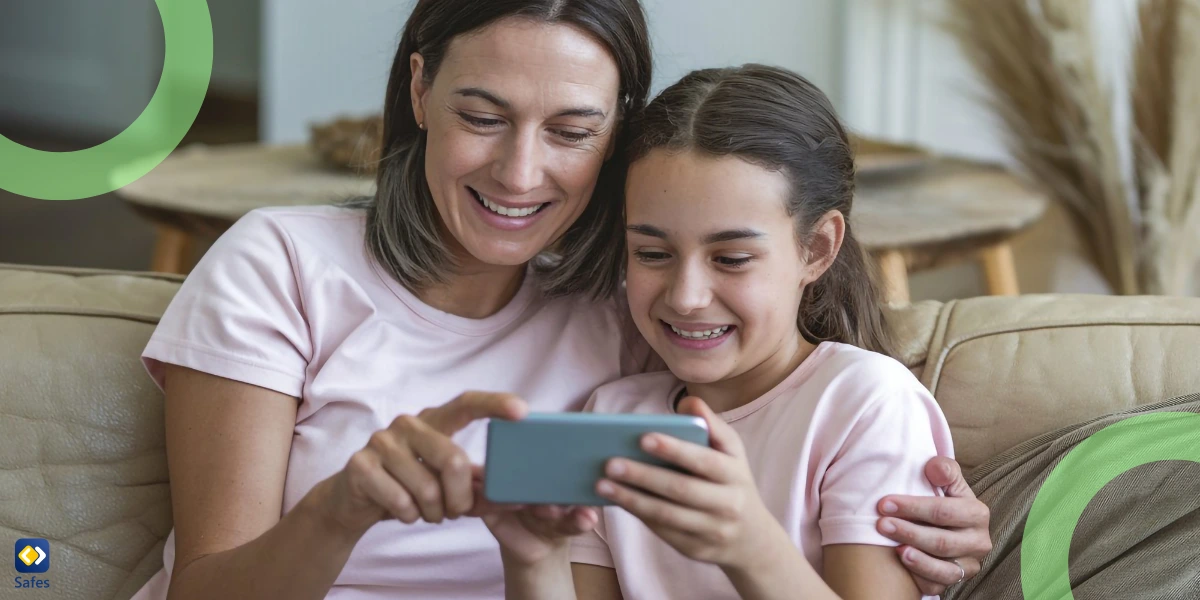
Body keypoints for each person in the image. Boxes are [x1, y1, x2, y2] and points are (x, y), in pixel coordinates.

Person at [128, 2, 991, 599]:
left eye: (572, 131)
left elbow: (791, 387)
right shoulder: (280, 264)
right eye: (483, 115)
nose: (520, 172)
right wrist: (341, 507)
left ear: (618, 131)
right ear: (421, 90)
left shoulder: (630, 313)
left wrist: (942, 517)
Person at [485, 64, 956, 600]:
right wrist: (534, 561)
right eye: (653, 253)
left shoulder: (865, 403)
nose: (686, 296)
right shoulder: (614, 415)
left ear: (817, 248)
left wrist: (748, 545)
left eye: (731, 258)